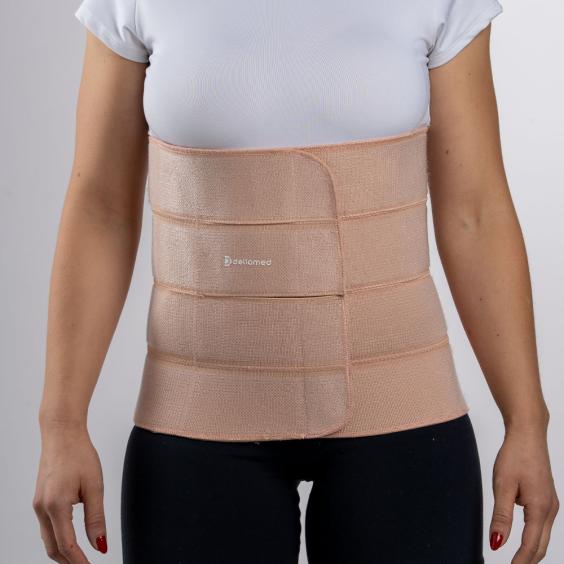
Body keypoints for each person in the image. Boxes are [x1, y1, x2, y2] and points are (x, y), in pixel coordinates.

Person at [32, 0, 559, 562]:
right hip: (196, 416)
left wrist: (527, 421)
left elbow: (475, 211)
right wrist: (61, 423)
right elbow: (101, 208)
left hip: (403, 410)